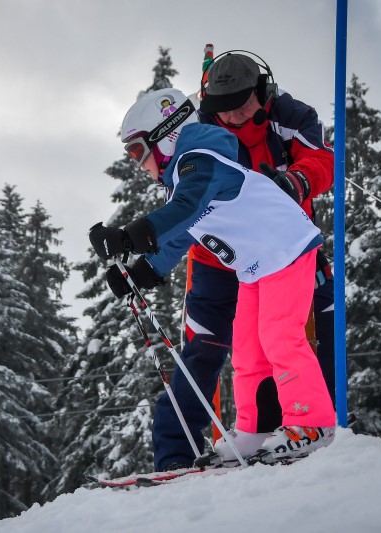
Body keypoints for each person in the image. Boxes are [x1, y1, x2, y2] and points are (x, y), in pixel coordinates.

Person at [88, 87, 336, 466]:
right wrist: (143, 272)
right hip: (256, 265)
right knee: (248, 349)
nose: (139, 164)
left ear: (166, 135)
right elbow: (181, 232)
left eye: (138, 151)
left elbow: (186, 208)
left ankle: (312, 423)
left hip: (285, 248)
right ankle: (253, 431)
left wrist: (128, 236)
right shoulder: (184, 175)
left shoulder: (200, 160)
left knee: (280, 336)